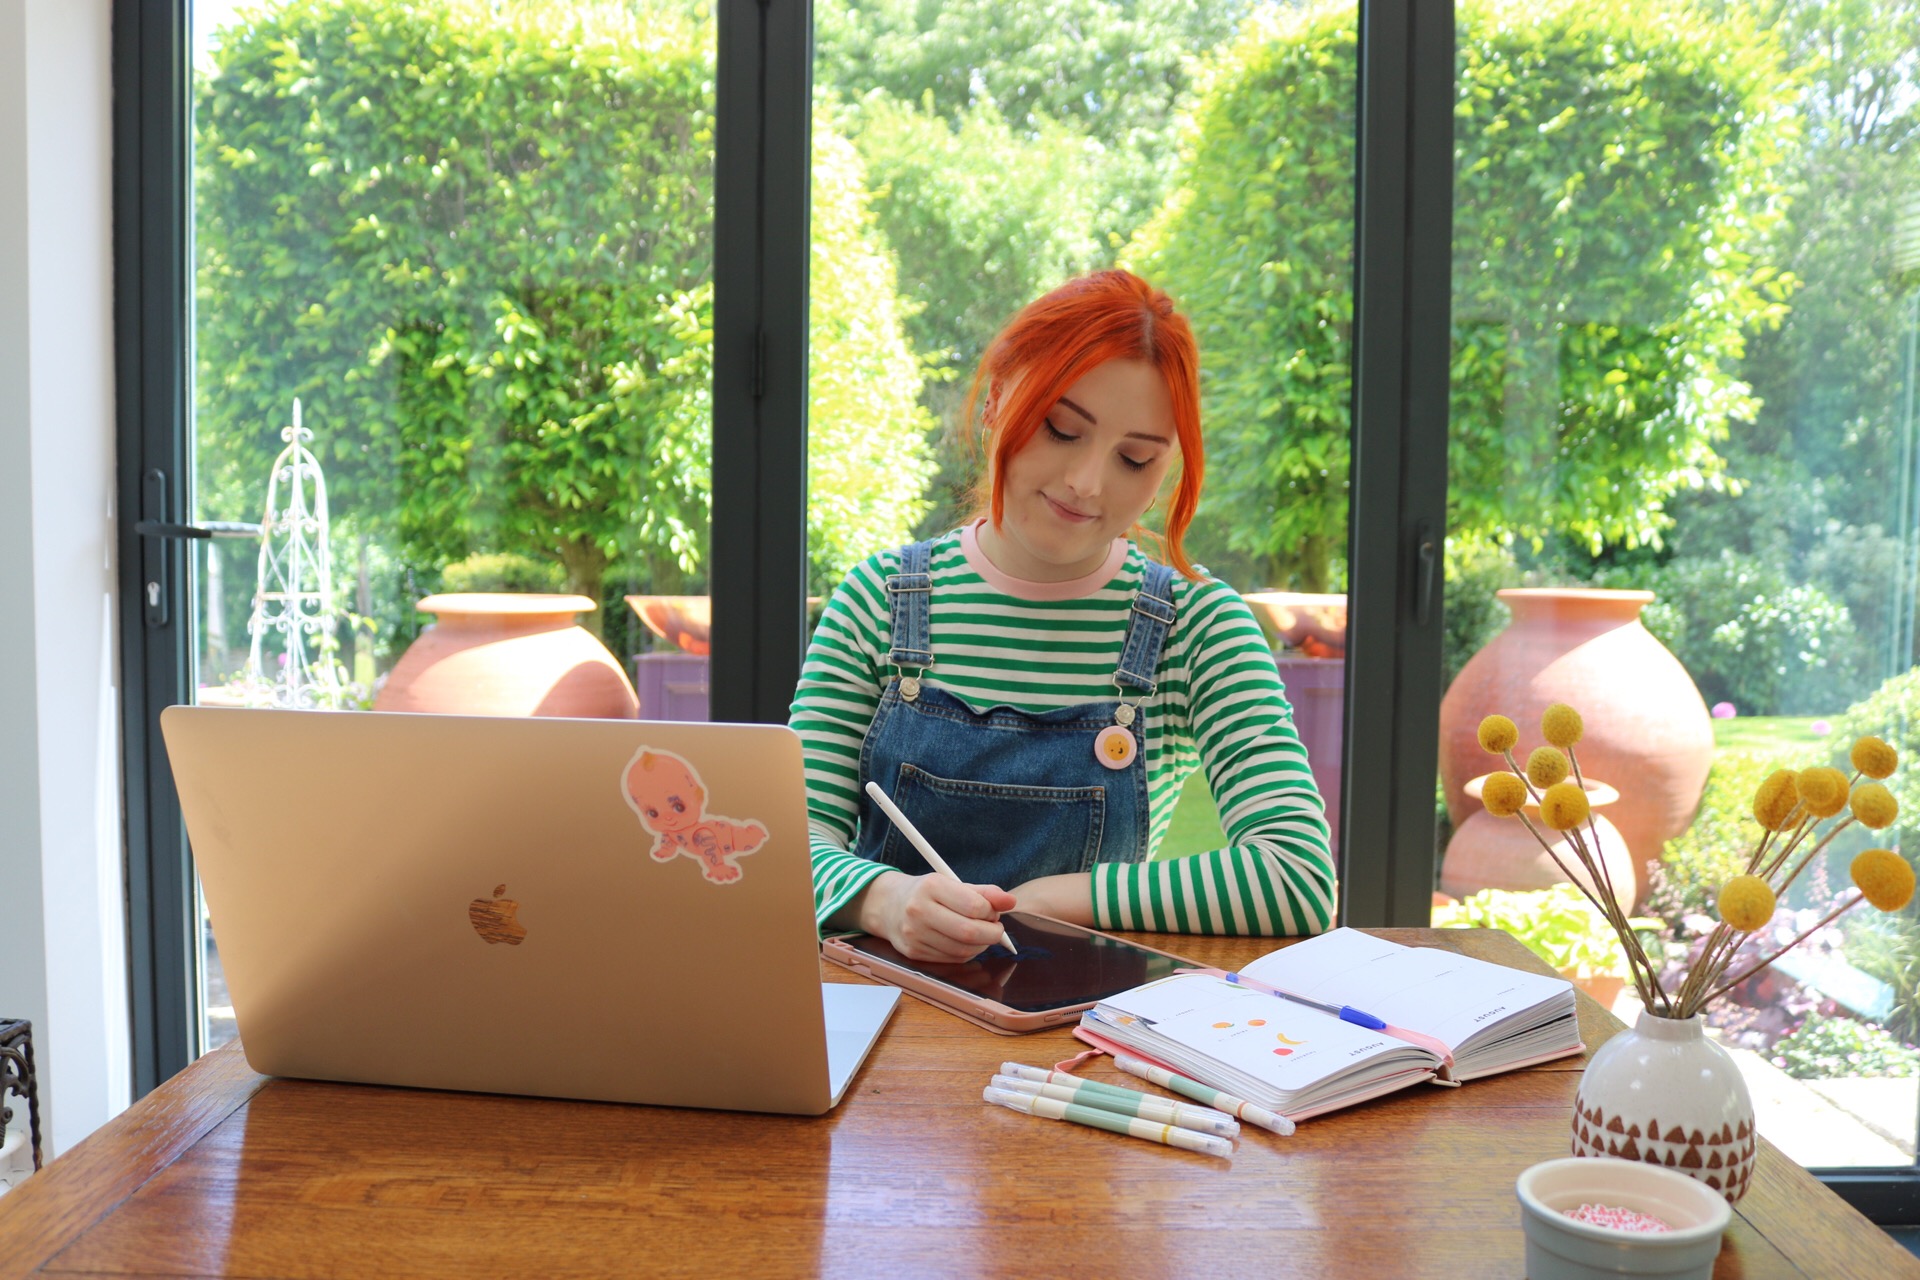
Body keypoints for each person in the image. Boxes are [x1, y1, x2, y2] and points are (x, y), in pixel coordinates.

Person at [791, 270, 1334, 962]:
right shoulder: (878, 600)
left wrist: (1053, 899)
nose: (1087, 483)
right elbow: (784, 846)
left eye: (1134, 459)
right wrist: (884, 900)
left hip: (1086, 1039)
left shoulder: (1197, 630)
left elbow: (1298, 878)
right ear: (995, 403)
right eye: (1062, 428)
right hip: (883, 1030)